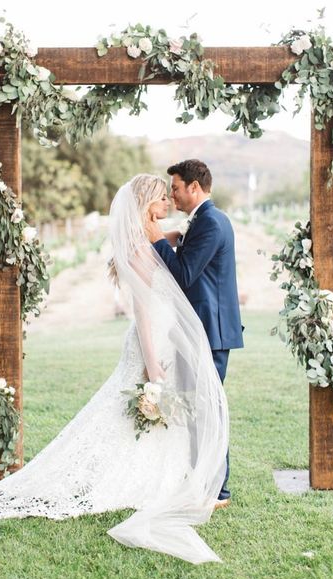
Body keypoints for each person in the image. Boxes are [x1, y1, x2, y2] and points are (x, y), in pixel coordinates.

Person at [0, 174, 229, 565]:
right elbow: (145, 314)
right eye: (162, 198)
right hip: (151, 342)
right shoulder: (139, 252)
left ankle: (155, 476)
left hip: (161, 339)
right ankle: (127, 480)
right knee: (133, 407)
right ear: (148, 204)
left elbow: (167, 252)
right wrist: (155, 371)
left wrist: (173, 234)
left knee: (131, 414)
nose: (167, 204)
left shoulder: (148, 241)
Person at [145, 160, 244, 507]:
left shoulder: (211, 223)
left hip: (210, 332)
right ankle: (202, 481)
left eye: (174, 188)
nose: (171, 195)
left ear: (194, 187)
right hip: (198, 330)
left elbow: (184, 275)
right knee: (197, 409)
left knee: (208, 410)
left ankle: (218, 490)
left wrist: (158, 242)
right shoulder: (202, 220)